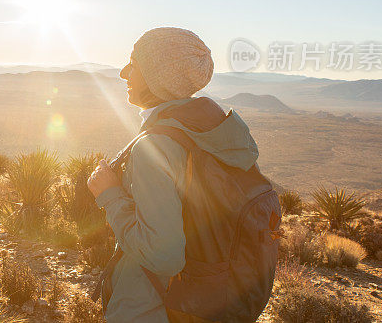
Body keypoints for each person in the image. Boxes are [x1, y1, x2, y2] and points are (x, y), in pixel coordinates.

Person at [88, 27, 277, 323]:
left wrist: (109, 195)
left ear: (158, 77)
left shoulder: (157, 145)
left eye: (134, 64)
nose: (124, 73)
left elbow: (163, 256)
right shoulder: (215, 130)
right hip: (203, 305)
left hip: (150, 309)